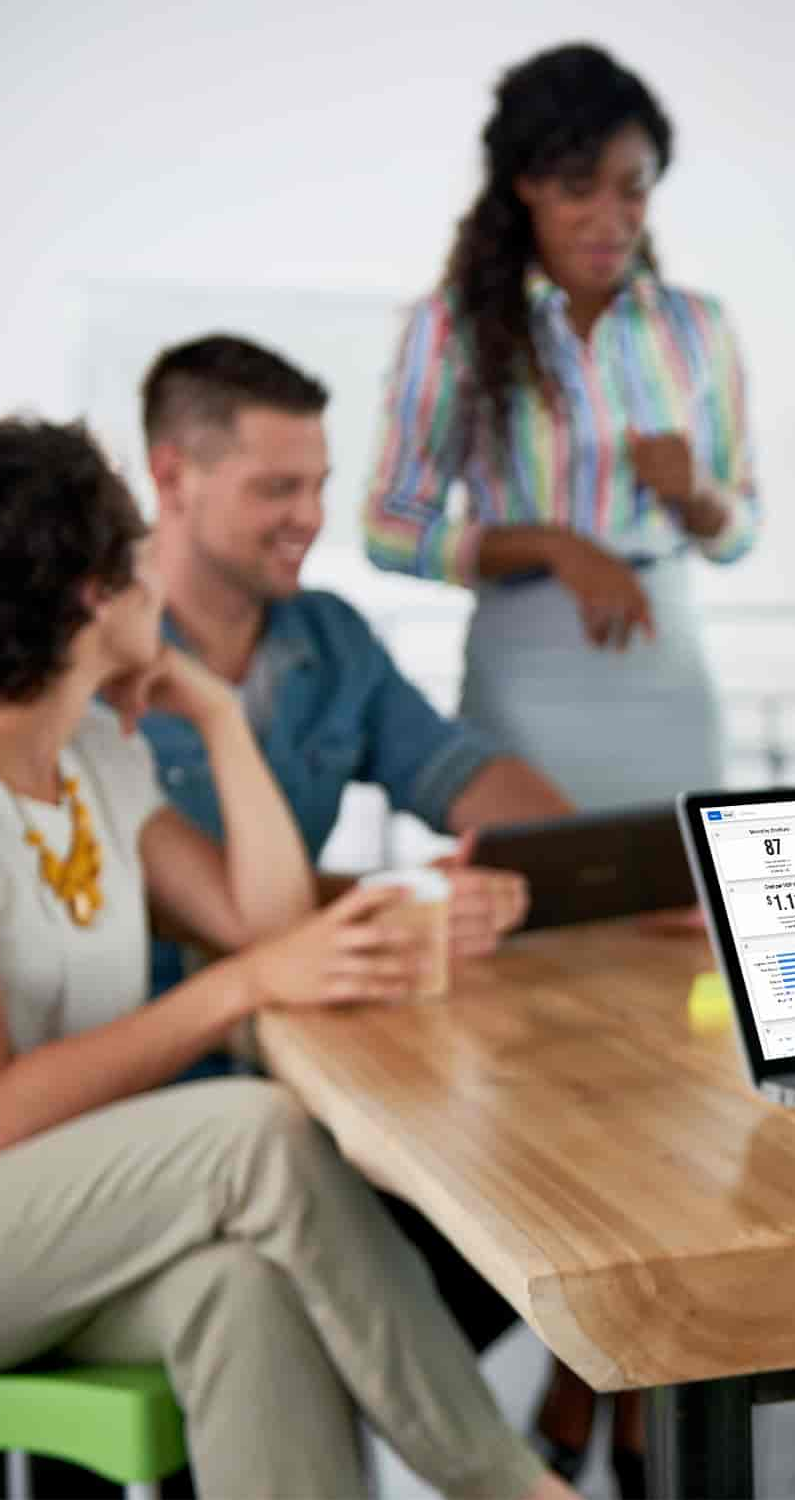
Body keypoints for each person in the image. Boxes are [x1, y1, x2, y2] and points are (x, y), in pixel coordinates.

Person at [0, 417, 577, 1500]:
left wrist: (223, 719)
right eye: (138, 555)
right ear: (92, 595)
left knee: (246, 1288)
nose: (160, 575)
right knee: (260, 1129)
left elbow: (265, 922)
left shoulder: (96, 757)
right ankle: (507, 1485)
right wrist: (236, 989)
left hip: (30, 1209)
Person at [139, 333, 578, 1360]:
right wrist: (405, 894)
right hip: (164, 1078)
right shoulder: (102, 653)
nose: (309, 517)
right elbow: (230, 912)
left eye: (320, 484)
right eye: (275, 487)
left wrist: (574, 854)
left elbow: (466, 775)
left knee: (525, 1197)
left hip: (318, 1055)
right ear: (172, 476)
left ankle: (342, 1406)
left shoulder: (327, 636)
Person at [364, 42, 760, 813]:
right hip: (525, 666)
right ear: (525, 186)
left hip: (664, 663)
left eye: (633, 190)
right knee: (531, 902)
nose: (611, 220)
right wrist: (556, 545)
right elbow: (387, 526)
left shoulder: (697, 330)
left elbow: (740, 532)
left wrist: (700, 495)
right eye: (579, 189)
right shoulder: (451, 328)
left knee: (684, 907)